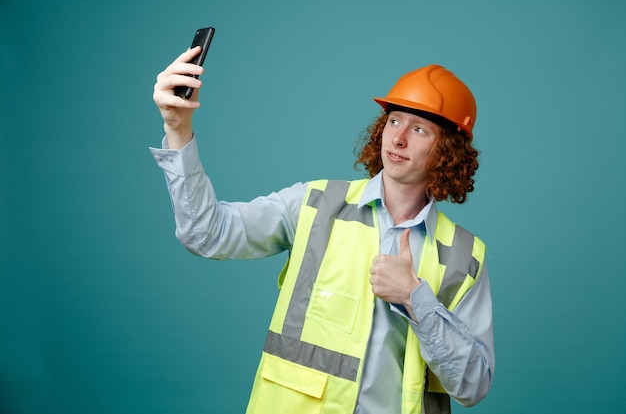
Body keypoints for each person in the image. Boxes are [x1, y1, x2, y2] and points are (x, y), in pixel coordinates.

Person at [151, 45, 495, 414]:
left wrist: (415, 298)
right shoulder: (315, 204)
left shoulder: (464, 256)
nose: (397, 139)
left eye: (419, 129)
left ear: (447, 151)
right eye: (394, 121)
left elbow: (472, 386)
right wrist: (177, 129)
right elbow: (206, 233)